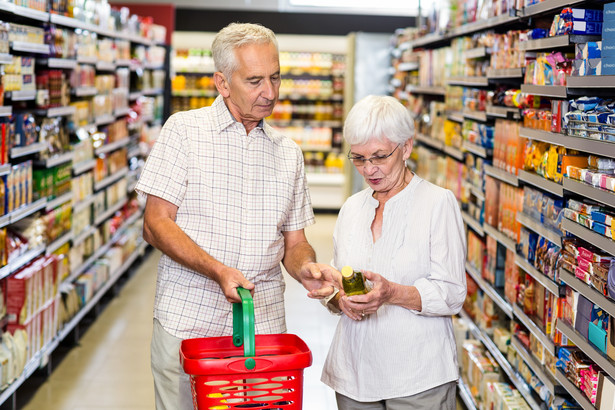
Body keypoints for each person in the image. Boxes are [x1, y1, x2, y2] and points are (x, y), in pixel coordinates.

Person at [135, 22, 338, 410]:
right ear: (222, 82)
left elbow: (294, 243)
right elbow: (156, 223)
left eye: (276, 78)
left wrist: (308, 268)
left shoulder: (288, 152)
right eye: (255, 81)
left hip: (262, 330)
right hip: (189, 323)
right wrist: (218, 270)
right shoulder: (184, 132)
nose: (270, 93)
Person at [321, 95, 467, 409]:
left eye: (379, 156)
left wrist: (391, 293)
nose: (369, 169)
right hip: (353, 376)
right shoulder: (351, 209)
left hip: (417, 379)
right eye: (358, 158)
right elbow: (339, 283)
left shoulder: (437, 203)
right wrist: (333, 294)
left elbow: (452, 293)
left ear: (406, 148)